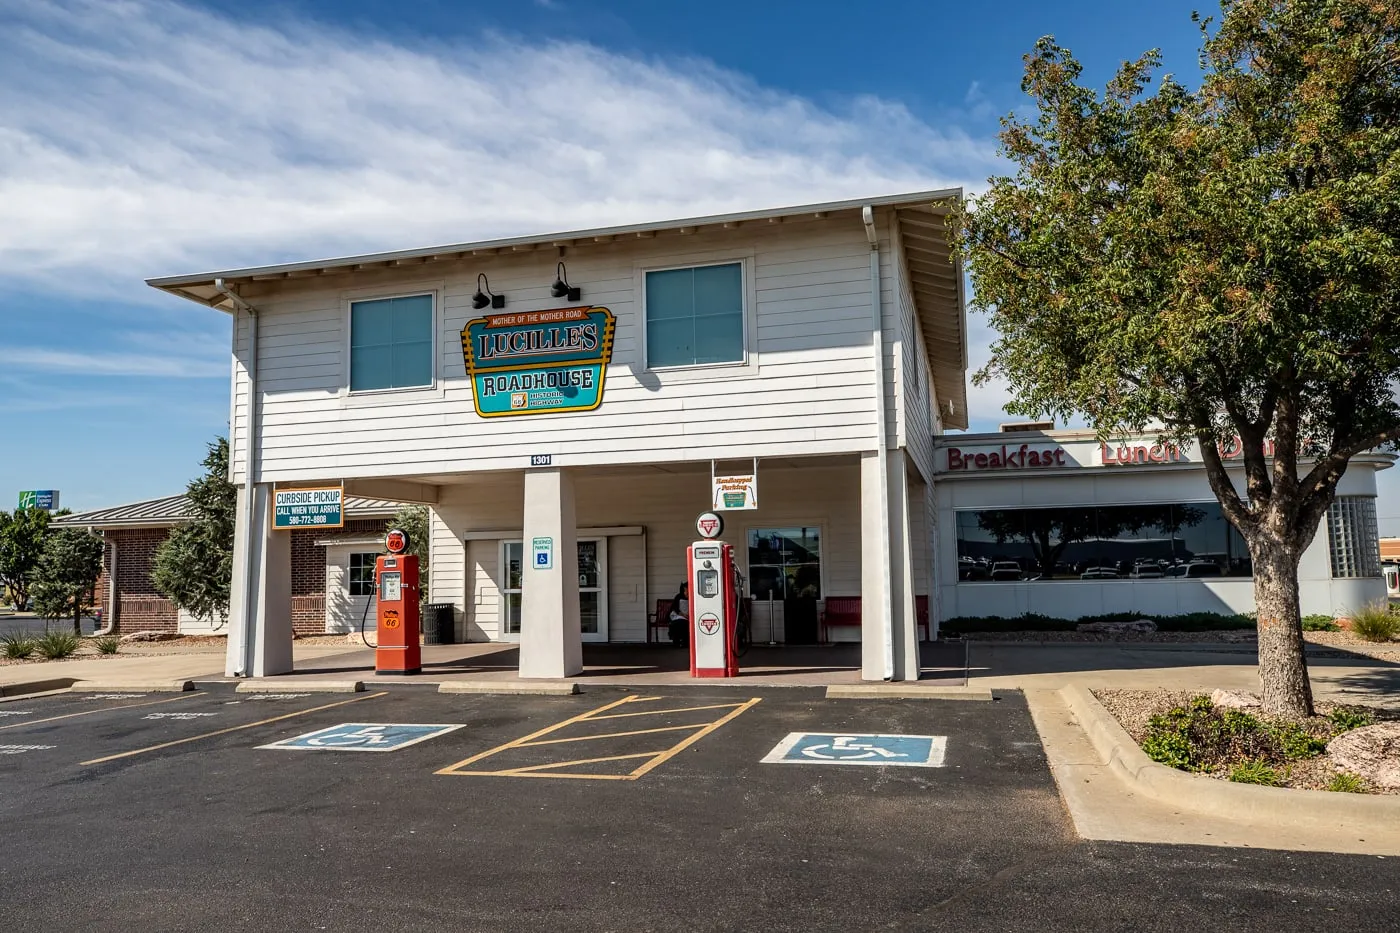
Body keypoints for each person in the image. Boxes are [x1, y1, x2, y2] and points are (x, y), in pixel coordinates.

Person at [668, 582, 689, 648]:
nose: (686, 592)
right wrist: (683, 615)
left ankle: (685, 642)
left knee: (685, 623)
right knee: (678, 623)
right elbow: (675, 608)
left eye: (687, 590)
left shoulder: (693, 597)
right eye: (685, 590)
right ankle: (676, 642)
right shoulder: (678, 596)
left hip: (688, 616)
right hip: (678, 615)